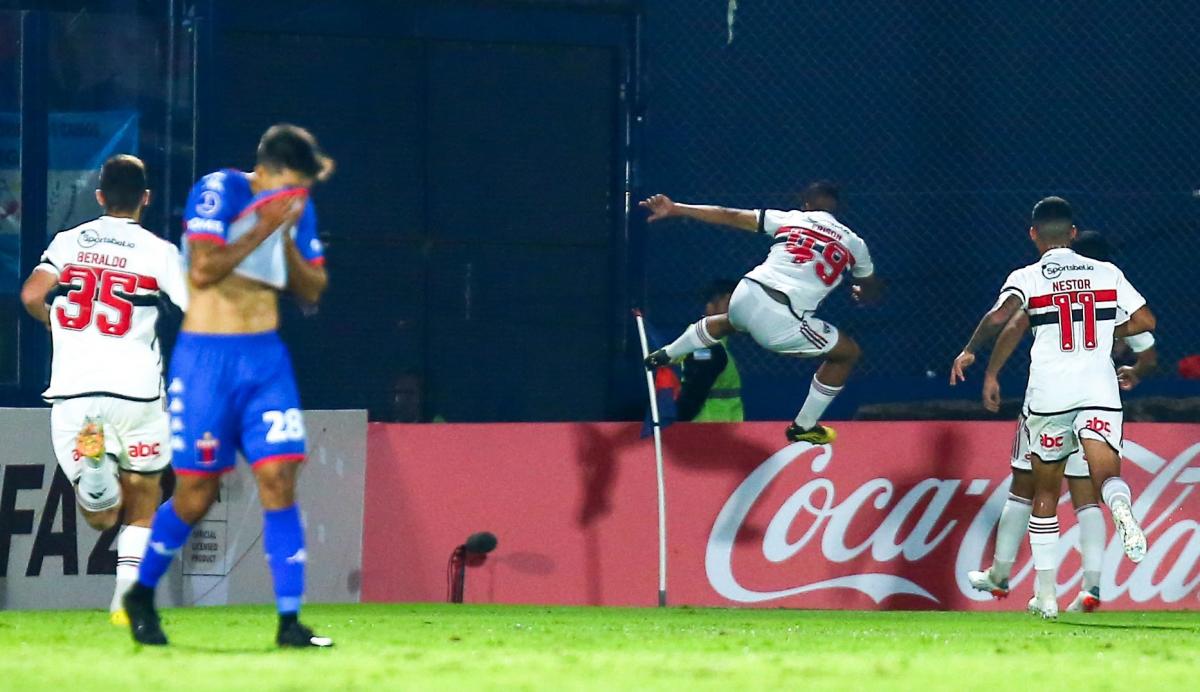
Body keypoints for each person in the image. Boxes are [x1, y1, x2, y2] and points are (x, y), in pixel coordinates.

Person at [123, 124, 333, 647]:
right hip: (206, 363)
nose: (295, 193)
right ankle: (141, 592)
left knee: (280, 478)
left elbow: (313, 290)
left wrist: (285, 240)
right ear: (265, 171)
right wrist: (263, 227)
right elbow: (204, 271)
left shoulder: (296, 208)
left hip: (264, 362)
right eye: (290, 181)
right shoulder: (220, 189)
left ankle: (290, 621)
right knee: (196, 493)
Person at [950, 197, 1156, 619]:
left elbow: (1000, 318)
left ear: (1033, 235)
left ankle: (1045, 596)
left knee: (1043, 490)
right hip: (1099, 388)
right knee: (1103, 478)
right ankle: (1122, 508)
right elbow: (1147, 323)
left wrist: (970, 352)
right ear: (1074, 234)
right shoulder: (1107, 272)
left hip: (1050, 395)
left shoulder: (1028, 276)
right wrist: (1103, 328)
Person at [19, 154, 187, 625]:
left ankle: (95, 475)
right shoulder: (158, 252)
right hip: (135, 391)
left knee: (99, 513)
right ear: (146, 199)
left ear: (99, 196)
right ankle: (127, 601)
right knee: (144, 496)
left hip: (73, 391)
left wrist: (58, 326)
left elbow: (33, 295)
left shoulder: (70, 241)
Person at [641, 182, 881, 443]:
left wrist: (677, 208)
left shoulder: (792, 218)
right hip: (783, 317)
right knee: (847, 353)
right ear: (839, 209)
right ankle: (805, 425)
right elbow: (869, 287)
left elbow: (728, 214)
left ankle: (667, 353)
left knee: (726, 323)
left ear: (806, 205)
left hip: (746, 292)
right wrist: (863, 292)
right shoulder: (856, 244)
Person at [676, 280, 744, 423]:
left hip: (718, 429)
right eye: (728, 304)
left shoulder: (715, 343)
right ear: (709, 307)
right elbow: (694, 393)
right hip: (708, 430)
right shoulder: (707, 345)